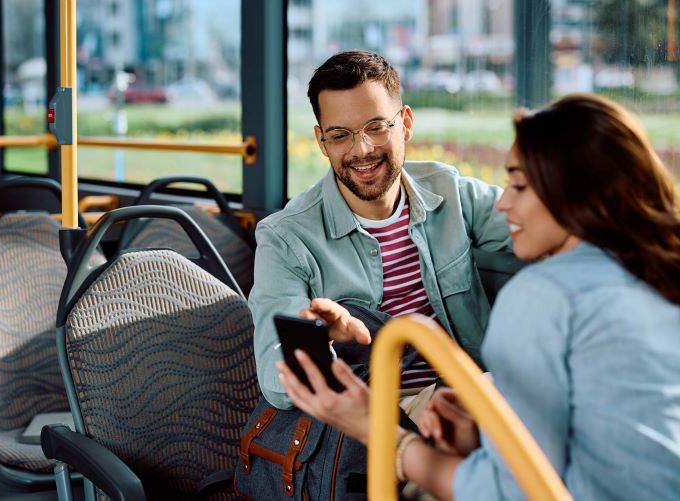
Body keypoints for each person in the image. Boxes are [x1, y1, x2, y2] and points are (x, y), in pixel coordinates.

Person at [277, 93, 680, 499]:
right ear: (321, 140)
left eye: (519, 185)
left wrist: (386, 438)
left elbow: (505, 491)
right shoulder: (657, 273)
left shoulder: (541, 294)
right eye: (341, 134)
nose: (503, 202)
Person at [248, 50, 518, 410]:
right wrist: (320, 341)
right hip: (379, 418)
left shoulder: (450, 192)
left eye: (376, 127)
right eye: (340, 135)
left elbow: (539, 223)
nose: (362, 150)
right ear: (322, 142)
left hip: (470, 389)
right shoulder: (285, 238)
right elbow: (275, 379)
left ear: (405, 123)